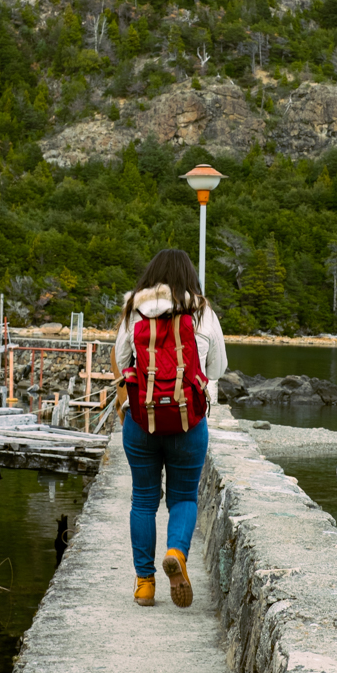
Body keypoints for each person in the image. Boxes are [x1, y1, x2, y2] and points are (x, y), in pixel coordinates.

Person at [114, 248, 227, 608]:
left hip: (141, 420)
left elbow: (121, 361)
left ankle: (145, 585)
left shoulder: (133, 309)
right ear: (189, 276)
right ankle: (176, 552)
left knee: (143, 500)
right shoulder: (202, 312)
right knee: (183, 497)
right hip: (187, 421)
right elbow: (217, 368)